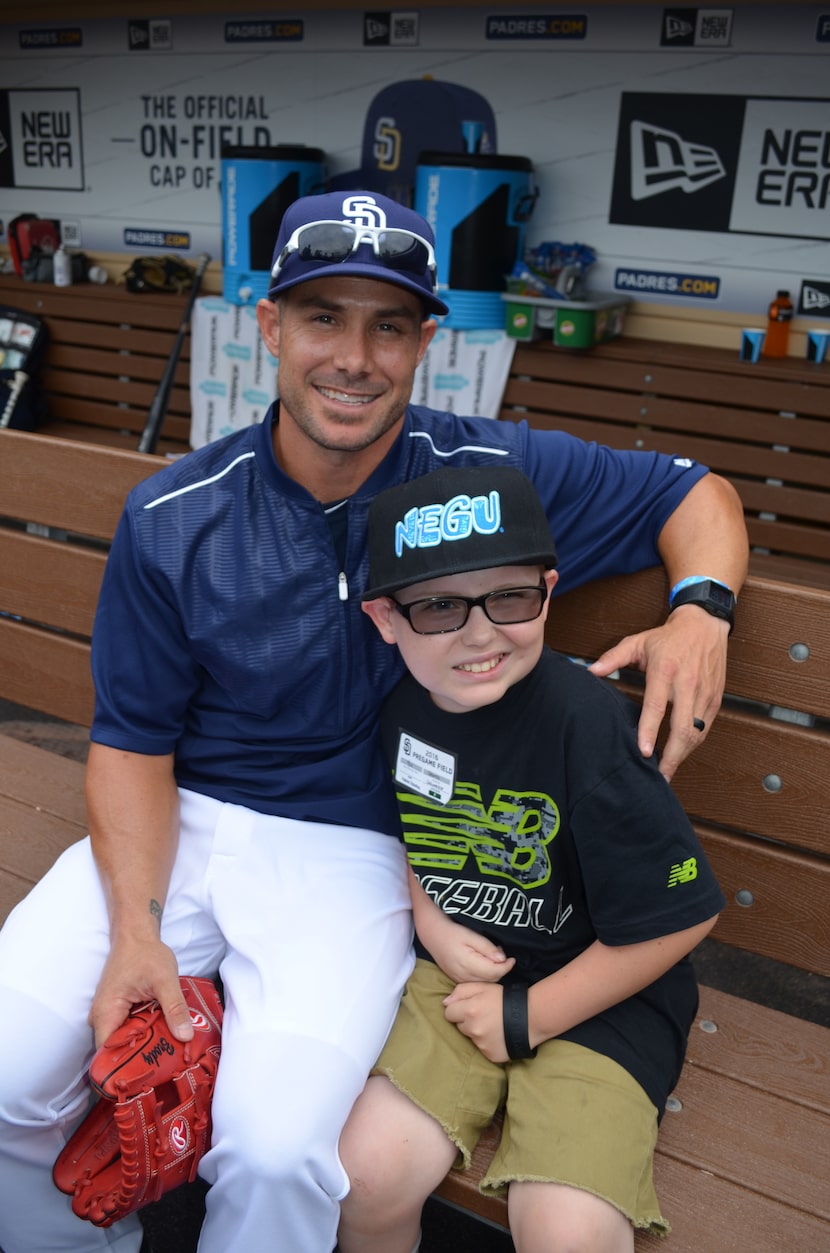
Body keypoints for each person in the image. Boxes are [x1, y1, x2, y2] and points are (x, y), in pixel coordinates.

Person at [0, 189, 746, 1253]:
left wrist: (698, 609)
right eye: (322, 318)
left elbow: (694, 492)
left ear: (424, 342)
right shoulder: (176, 510)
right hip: (181, 820)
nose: (353, 356)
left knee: (275, 1148)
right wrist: (135, 932)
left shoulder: (483, 479)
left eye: (388, 323)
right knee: (8, 1064)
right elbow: (130, 742)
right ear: (267, 325)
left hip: (356, 848)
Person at [338, 464, 726, 1253]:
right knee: (365, 1172)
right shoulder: (404, 707)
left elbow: (683, 915)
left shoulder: (587, 727)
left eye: (509, 598)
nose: (479, 633)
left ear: (548, 589)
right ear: (385, 617)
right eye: (440, 605)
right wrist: (429, 917)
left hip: (605, 995)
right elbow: (420, 828)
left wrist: (529, 1015)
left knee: (567, 1230)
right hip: (462, 972)